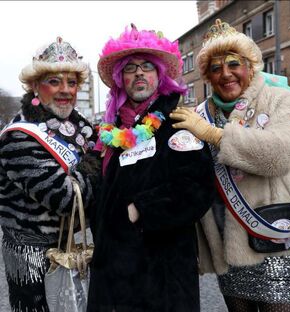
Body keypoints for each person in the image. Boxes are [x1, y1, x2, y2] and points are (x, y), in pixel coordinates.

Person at [170, 19, 290, 312]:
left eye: (233, 64)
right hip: (226, 248)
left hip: (270, 243)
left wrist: (212, 135)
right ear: (207, 76)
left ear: (250, 66)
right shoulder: (199, 114)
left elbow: (281, 154)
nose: (225, 74)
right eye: (216, 68)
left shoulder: (281, 100)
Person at [87, 24, 215, 312]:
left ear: (160, 75)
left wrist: (142, 209)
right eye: (130, 68)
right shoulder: (113, 130)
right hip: (112, 271)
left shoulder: (177, 124)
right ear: (121, 79)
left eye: (147, 66)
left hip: (160, 276)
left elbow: (197, 189)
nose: (139, 73)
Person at [0, 37, 99, 312]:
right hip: (33, 255)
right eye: (54, 81)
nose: (65, 90)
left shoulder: (78, 125)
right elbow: (65, 198)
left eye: (71, 82)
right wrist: (100, 167)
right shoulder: (19, 136)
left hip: (73, 247)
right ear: (34, 86)